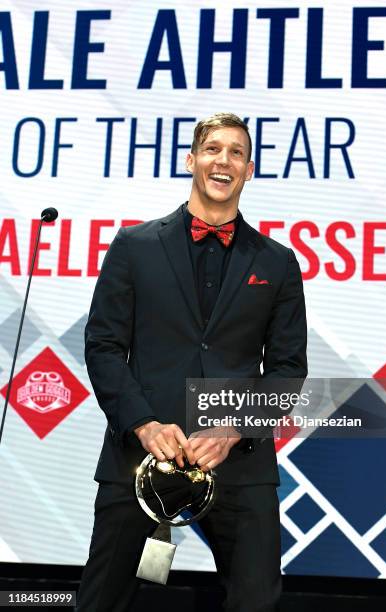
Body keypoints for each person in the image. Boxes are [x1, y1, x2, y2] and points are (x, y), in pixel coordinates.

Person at [76, 112, 307, 612]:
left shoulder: (277, 262)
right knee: (100, 602)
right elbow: (104, 345)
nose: (223, 160)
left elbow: (289, 370)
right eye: (212, 149)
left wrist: (233, 429)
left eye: (236, 153)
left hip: (239, 465)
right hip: (138, 458)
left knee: (255, 603)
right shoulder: (134, 247)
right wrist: (141, 423)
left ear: (249, 170)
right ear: (192, 160)